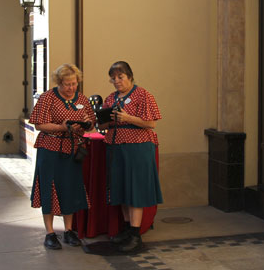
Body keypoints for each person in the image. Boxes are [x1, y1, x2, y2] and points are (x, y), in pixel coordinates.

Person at [29, 63, 95, 250]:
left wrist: (88, 123)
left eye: (74, 84)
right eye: (67, 84)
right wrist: (62, 127)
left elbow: (90, 121)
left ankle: (68, 230)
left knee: (70, 188)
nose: (71, 88)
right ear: (59, 82)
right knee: (49, 188)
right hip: (50, 149)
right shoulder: (47, 98)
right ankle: (50, 233)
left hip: (72, 149)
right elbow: (39, 124)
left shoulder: (82, 98)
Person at [101, 61, 163, 252]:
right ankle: (127, 229)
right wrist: (102, 119)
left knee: (135, 189)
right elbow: (103, 126)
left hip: (138, 148)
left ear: (130, 77)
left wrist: (127, 118)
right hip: (115, 148)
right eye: (114, 78)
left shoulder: (143, 95)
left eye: (121, 77)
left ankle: (136, 235)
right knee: (121, 188)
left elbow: (151, 123)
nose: (117, 81)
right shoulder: (110, 98)